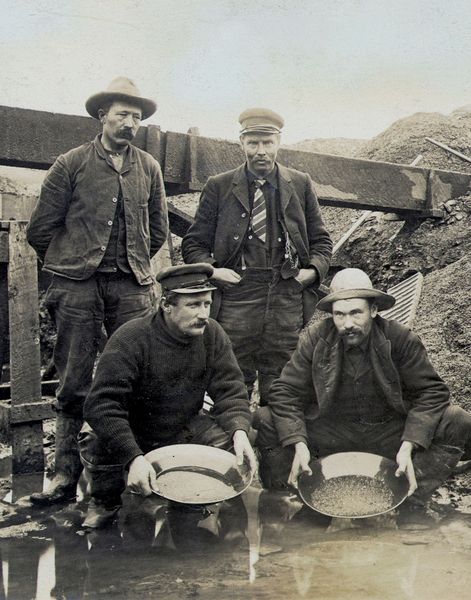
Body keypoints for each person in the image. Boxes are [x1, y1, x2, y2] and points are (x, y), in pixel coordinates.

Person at [26, 77, 169, 505]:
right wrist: (73, 266)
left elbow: (157, 230)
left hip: (131, 286)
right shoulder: (70, 163)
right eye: (122, 114)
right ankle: (64, 475)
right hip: (77, 288)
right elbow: (41, 230)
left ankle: (137, 471)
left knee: (138, 375)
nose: (130, 123)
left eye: (137, 118)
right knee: (72, 379)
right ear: (102, 116)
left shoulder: (149, 167)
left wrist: (133, 263)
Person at [256, 268, 471, 505]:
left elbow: (432, 392)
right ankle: (293, 499)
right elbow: (285, 391)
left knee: (456, 419)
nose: (348, 323)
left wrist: (410, 444)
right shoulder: (316, 338)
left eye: (356, 313)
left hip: (389, 433)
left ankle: (411, 501)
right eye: (339, 315)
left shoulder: (400, 339)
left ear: (374, 310)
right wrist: (299, 442)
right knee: (266, 419)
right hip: (331, 434)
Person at [78, 263, 257, 528]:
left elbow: (230, 390)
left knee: (235, 442)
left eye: (207, 304)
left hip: (180, 425)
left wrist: (240, 431)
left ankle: (209, 506)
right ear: (166, 304)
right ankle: (104, 501)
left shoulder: (213, 334)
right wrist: (133, 456)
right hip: (133, 429)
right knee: (95, 437)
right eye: (193, 305)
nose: (204, 314)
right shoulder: (131, 338)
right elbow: (102, 406)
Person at [182, 108, 332, 405]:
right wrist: (214, 272)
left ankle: (273, 442)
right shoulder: (219, 186)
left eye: (267, 142)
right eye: (253, 143)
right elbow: (193, 244)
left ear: (279, 142)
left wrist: (312, 272)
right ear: (241, 143)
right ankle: (236, 439)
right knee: (232, 375)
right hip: (238, 292)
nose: (260, 151)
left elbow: (321, 241)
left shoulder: (300, 183)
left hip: (286, 292)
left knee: (282, 378)